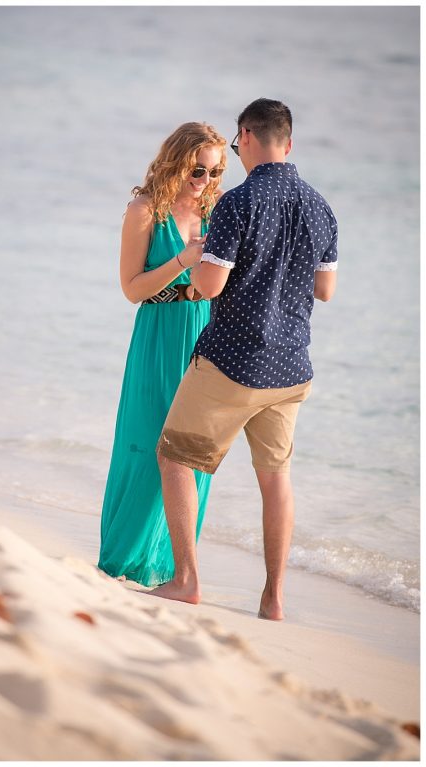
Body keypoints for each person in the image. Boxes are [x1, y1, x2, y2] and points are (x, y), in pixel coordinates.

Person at [151, 98, 338, 620]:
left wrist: (191, 266)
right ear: (291, 143)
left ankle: (186, 579)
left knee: (174, 457)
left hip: (232, 363)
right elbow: (325, 289)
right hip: (291, 369)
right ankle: (274, 598)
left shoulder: (237, 202)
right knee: (275, 478)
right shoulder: (321, 206)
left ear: (246, 137)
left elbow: (210, 285)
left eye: (236, 145)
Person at [98, 122, 227, 586]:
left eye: (213, 173)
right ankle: (121, 560)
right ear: (176, 160)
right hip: (159, 332)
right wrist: (181, 262)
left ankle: (173, 569)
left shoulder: (218, 212)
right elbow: (131, 290)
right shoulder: (145, 210)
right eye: (197, 171)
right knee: (144, 444)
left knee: (192, 453)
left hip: (207, 334)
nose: (205, 182)